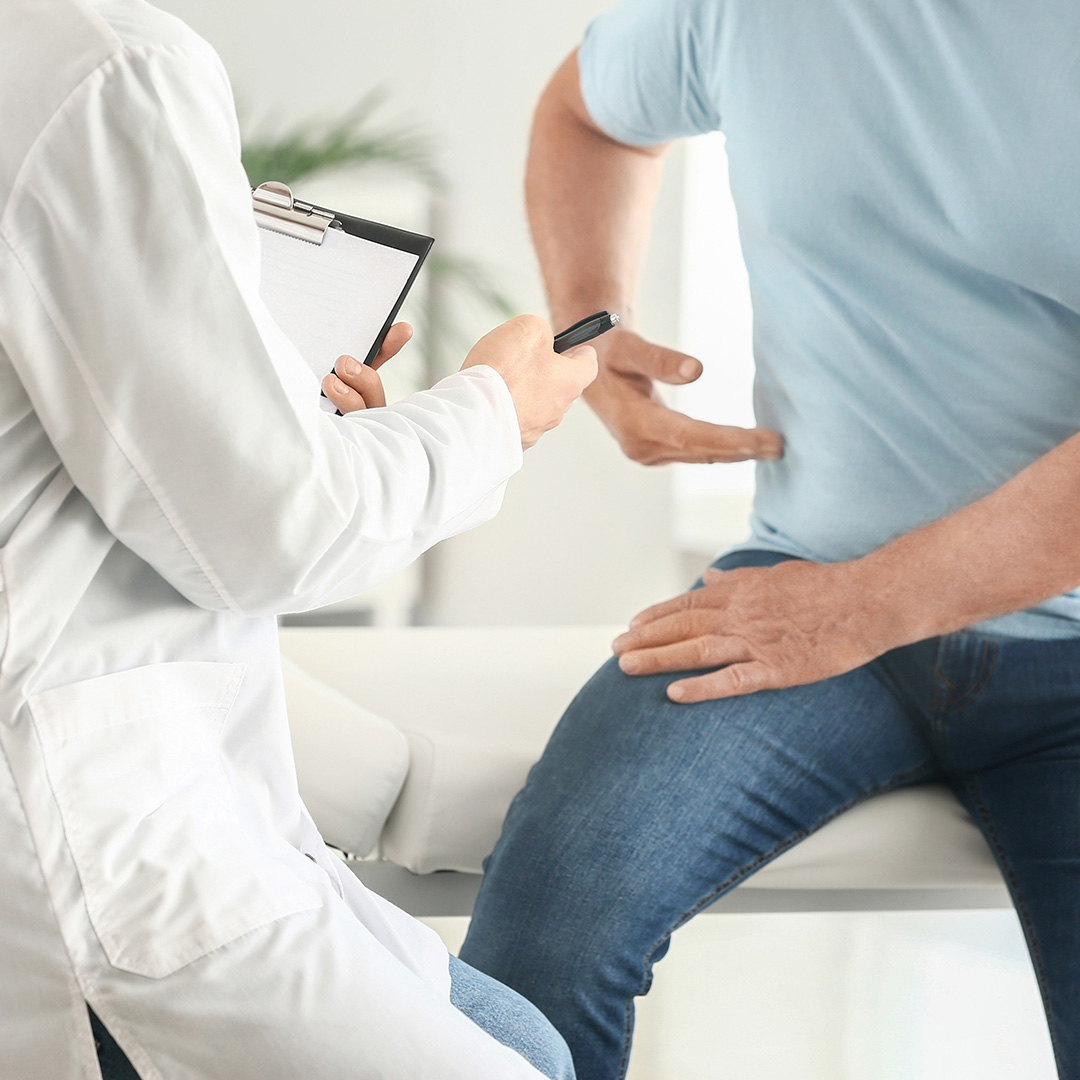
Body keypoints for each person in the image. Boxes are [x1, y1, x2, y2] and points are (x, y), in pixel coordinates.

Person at [455, 1, 1080, 1078]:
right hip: (803, 592)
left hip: (942, 629)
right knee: (532, 961)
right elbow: (589, 113)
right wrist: (594, 333)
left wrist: (861, 606)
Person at [0, 1, 597, 1078]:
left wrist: (268, 397)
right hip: (84, 852)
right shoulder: (107, 69)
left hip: (96, 801)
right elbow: (274, 528)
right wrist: (495, 408)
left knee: (532, 1043)